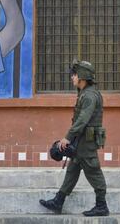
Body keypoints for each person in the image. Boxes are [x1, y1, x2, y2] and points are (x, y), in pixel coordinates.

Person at [39, 60, 109, 217]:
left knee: (93, 171)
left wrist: (67, 138)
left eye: (75, 75)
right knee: (72, 170)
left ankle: (101, 206)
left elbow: (83, 120)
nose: (72, 78)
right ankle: (58, 201)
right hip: (81, 140)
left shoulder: (90, 96)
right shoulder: (84, 93)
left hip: (86, 142)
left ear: (82, 77)